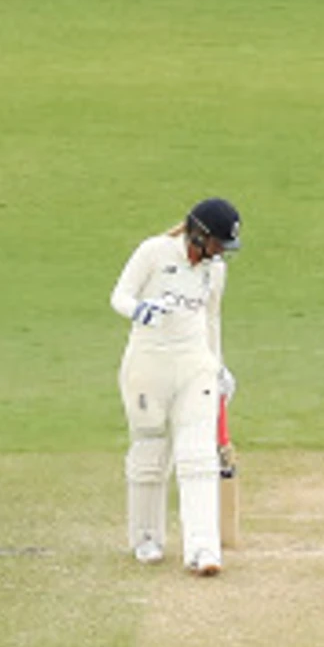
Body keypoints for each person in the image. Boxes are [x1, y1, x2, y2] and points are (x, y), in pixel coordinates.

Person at [110, 197, 240, 576]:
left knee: (197, 456)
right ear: (198, 235)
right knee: (150, 453)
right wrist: (140, 310)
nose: (220, 253)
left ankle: (203, 548)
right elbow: (119, 295)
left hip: (194, 365)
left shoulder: (214, 272)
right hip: (148, 364)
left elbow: (212, 320)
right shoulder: (154, 251)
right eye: (217, 243)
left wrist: (218, 366)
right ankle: (146, 537)